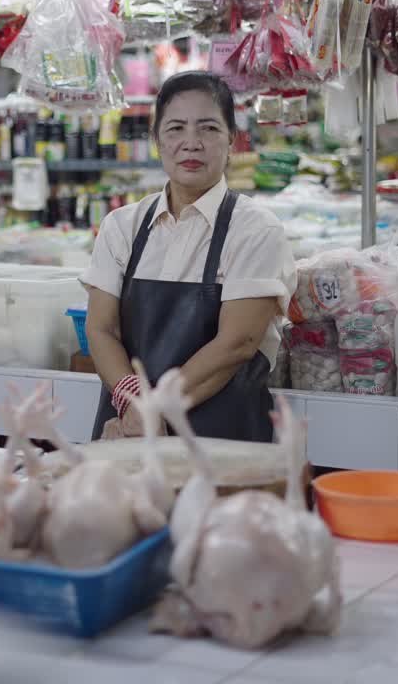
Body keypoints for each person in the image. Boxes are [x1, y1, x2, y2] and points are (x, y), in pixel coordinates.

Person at [80, 71, 297, 442]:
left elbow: (237, 343)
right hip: (129, 434)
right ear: (157, 141)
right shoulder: (122, 226)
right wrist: (134, 402)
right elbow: (101, 329)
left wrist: (152, 411)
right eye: (176, 129)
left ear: (232, 139)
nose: (191, 143)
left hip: (220, 441)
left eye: (209, 128)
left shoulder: (256, 230)